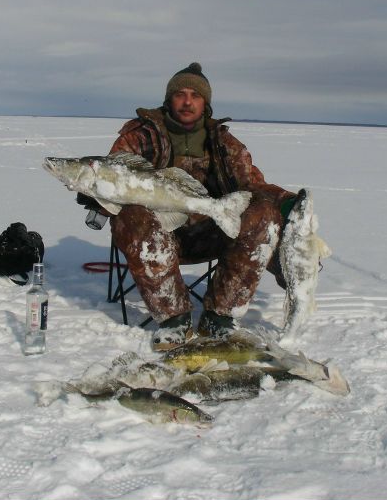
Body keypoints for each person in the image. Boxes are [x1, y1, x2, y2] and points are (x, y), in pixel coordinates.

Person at [104, 62, 298, 351]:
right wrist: (94, 192)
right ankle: (173, 320)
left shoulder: (223, 142)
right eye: (180, 94)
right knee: (132, 215)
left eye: (195, 95)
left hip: (214, 231)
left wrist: (286, 202)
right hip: (156, 236)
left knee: (264, 215)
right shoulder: (138, 136)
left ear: (205, 102)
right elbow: (112, 173)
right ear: (169, 99)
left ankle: (221, 317)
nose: (187, 101)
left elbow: (252, 183)